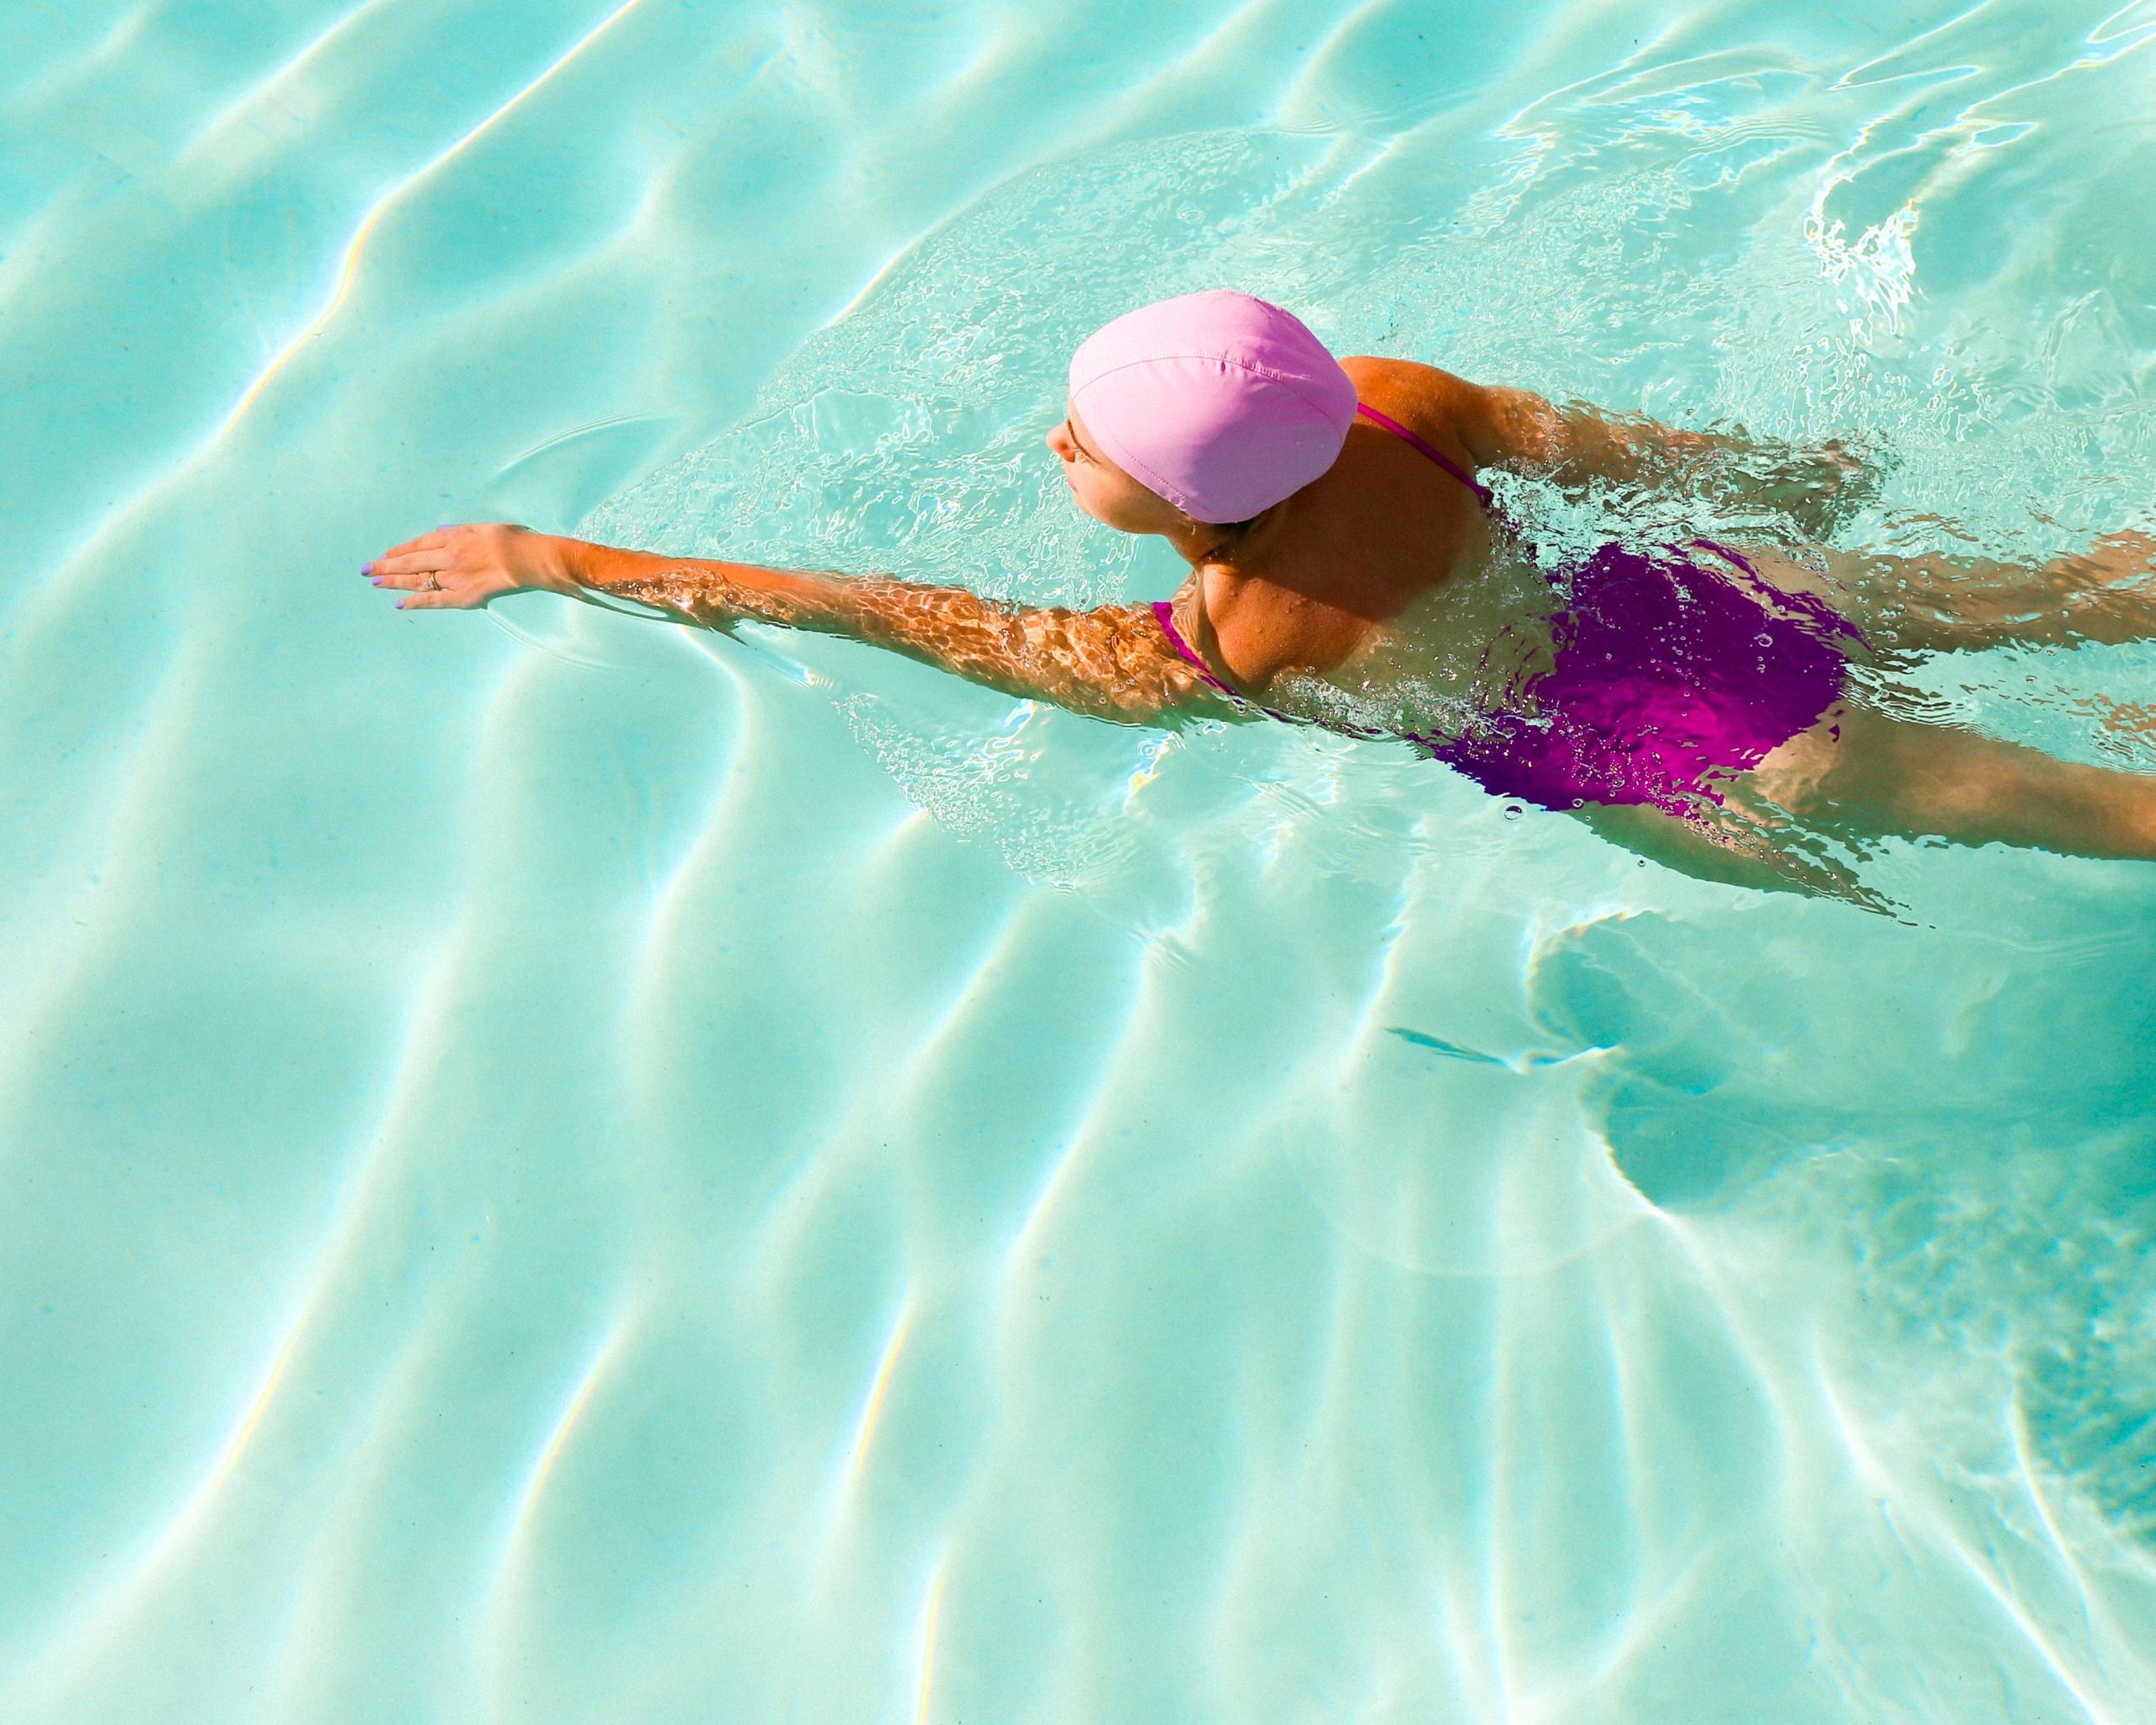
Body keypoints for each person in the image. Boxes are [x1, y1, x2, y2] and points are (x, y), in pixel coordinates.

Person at [364, 290, 2156, 892]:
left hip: (1689, 757)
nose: (1050, 440)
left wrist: (564, 558)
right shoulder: (1396, 406)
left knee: (2099, 812)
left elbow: (894, 614)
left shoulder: (1218, 642)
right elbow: (1640, 458)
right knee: (2042, 596)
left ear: (1174, 518)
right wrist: (1791, 482)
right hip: (1701, 601)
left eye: (1078, 440)